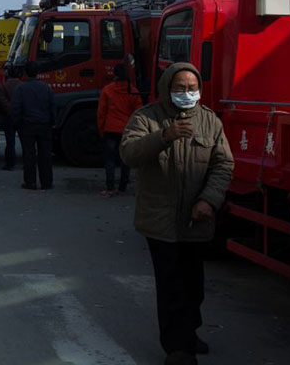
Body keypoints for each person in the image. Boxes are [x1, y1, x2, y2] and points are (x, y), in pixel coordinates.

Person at [120, 63, 233, 365]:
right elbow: (129, 154)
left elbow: (223, 165)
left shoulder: (211, 122)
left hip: (196, 219)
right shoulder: (146, 117)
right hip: (160, 220)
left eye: (191, 88)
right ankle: (177, 348)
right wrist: (164, 136)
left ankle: (189, 333)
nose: (186, 93)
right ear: (167, 89)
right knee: (171, 286)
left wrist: (209, 200)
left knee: (193, 284)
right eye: (180, 88)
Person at [97, 63, 143, 197]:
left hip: (110, 129)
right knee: (125, 159)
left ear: (114, 74)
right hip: (126, 129)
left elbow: (101, 112)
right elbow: (138, 112)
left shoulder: (108, 90)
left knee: (110, 159)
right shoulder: (133, 90)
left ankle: (110, 187)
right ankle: (122, 187)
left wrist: (101, 130)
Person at [11, 61, 55, 190]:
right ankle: (46, 182)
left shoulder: (21, 88)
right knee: (45, 154)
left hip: (27, 125)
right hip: (44, 124)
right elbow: (52, 106)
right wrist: (52, 121)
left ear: (25, 73)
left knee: (29, 154)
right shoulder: (46, 87)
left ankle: (30, 182)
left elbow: (15, 108)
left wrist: (17, 123)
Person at [0, 66, 20, 170]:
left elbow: (2, 101)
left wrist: (10, 110)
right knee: (25, 141)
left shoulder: (3, 86)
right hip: (20, 116)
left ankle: (10, 163)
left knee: (10, 141)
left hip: (8, 117)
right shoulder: (22, 85)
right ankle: (27, 162)